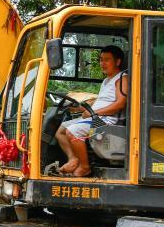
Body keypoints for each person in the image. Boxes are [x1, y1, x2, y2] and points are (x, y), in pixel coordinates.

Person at [55, 45, 129, 177]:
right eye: (101, 60)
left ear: (117, 62)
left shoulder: (122, 78)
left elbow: (120, 104)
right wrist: (79, 107)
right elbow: (99, 102)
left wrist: (94, 113)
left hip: (107, 121)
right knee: (60, 130)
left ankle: (85, 167)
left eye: (107, 60)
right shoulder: (107, 80)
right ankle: (73, 159)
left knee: (73, 131)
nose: (102, 63)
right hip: (96, 117)